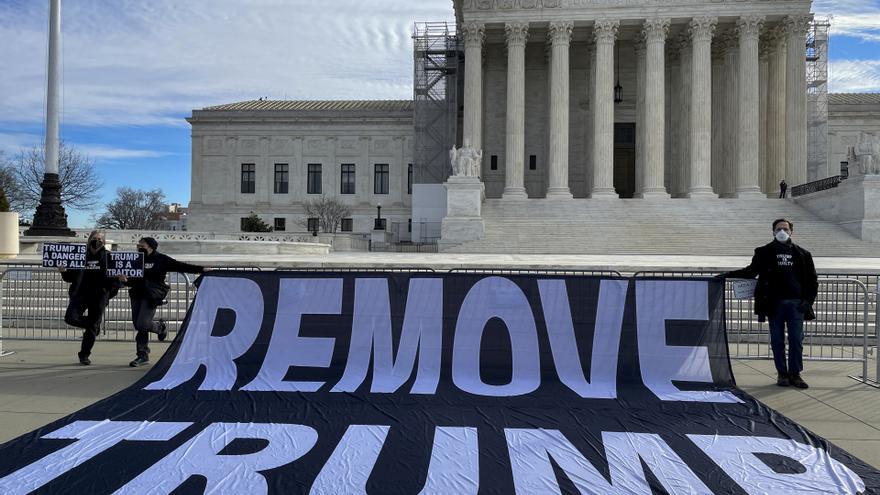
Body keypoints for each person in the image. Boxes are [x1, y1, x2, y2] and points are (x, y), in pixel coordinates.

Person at [723, 218, 818, 389]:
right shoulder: (764, 252)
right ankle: (782, 373)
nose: (782, 231)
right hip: (775, 304)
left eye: (785, 229)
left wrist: (807, 302)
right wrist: (727, 274)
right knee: (777, 340)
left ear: (791, 232)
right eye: (779, 229)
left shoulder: (803, 254)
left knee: (796, 340)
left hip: (796, 304)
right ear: (773, 231)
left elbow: (812, 281)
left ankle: (795, 374)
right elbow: (751, 271)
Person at [119, 237, 209, 367]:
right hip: (136, 294)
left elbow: (180, 266)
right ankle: (142, 355)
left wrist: (201, 269)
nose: (139, 247)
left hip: (151, 295)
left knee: (143, 324)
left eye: (142, 245)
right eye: (138, 245)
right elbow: (130, 276)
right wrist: (124, 279)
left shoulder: (161, 259)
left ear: (150, 247)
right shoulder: (135, 259)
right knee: (139, 325)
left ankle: (160, 328)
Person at [60, 230, 121, 365]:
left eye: (100, 239)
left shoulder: (109, 257)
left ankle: (84, 355)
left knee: (92, 327)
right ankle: (93, 326)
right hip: (80, 294)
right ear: (89, 240)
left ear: (103, 242)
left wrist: (109, 293)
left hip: (99, 296)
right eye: (94, 238)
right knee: (70, 318)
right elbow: (70, 277)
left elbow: (116, 280)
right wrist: (64, 271)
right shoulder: (79, 256)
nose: (97, 241)